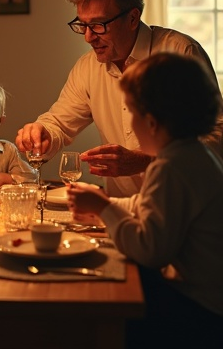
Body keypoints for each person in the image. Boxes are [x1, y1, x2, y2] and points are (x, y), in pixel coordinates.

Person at [16, 0, 223, 197]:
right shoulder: (88, 67)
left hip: (185, 206)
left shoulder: (180, 52)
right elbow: (59, 123)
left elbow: (216, 138)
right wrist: (42, 133)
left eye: (98, 25)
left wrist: (146, 160)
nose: (88, 37)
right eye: (82, 25)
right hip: (123, 207)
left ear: (133, 18)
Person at [67, 52, 223, 348]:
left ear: (151, 123)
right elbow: (147, 205)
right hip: (210, 298)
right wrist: (104, 205)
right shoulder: (191, 155)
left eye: (131, 112)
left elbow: (150, 250)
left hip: (200, 312)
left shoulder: (171, 168)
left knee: (105, 293)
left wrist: (104, 208)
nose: (131, 124)